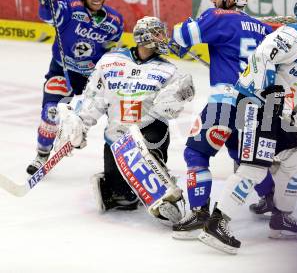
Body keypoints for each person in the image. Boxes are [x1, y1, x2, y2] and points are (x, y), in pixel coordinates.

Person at [198, 0, 297, 254]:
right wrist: (270, 92)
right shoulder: (289, 35)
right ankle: (217, 223)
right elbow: (261, 57)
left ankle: (280, 216)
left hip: (278, 111)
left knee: (296, 158)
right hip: (256, 106)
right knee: (254, 169)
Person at [55, 16, 194, 221]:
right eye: (158, 33)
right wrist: (79, 124)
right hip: (116, 136)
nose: (163, 38)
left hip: (149, 130)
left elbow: (173, 106)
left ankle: (161, 186)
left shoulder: (169, 70)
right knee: (123, 199)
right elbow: (95, 98)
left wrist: (177, 96)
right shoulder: (110, 62)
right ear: (144, 37)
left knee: (147, 148)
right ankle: (118, 185)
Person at [169, 0, 272, 239]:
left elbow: (181, 36)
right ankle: (272, 200)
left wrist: (194, 22)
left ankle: (199, 213)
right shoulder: (264, 28)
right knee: (243, 156)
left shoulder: (219, 16)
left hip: (225, 104)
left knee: (195, 153)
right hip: (257, 107)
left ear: (230, 0)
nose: (214, 0)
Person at [27, 0, 124, 175]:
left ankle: (119, 160)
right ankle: (42, 155)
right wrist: (46, 1)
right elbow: (49, 16)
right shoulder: (70, 5)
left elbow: (110, 47)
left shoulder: (115, 20)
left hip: (93, 78)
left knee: (117, 117)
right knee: (51, 112)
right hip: (63, 71)